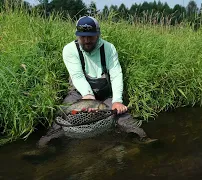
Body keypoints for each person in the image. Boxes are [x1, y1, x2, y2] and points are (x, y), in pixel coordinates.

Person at [37, 16, 156, 147]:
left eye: (91, 37)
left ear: (98, 34)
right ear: (77, 35)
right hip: (78, 94)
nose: (87, 41)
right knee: (62, 117)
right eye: (83, 37)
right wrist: (88, 99)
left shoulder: (109, 48)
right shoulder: (70, 50)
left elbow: (116, 74)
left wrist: (117, 101)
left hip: (105, 95)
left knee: (122, 116)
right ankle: (45, 144)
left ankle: (142, 138)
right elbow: (77, 76)